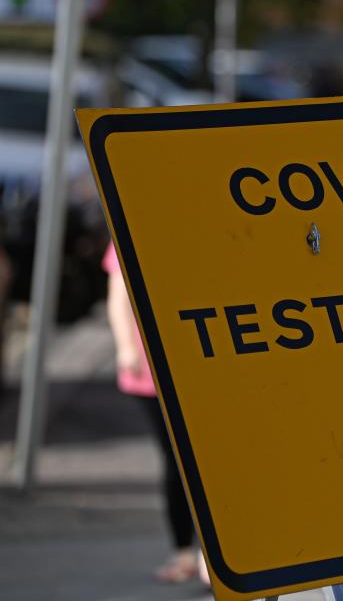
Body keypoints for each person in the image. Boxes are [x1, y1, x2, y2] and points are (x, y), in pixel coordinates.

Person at [103, 243, 199, 583]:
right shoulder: (130, 219)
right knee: (177, 461)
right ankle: (187, 554)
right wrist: (127, 347)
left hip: (195, 365)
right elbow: (118, 296)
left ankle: (208, 555)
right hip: (150, 370)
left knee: (204, 461)